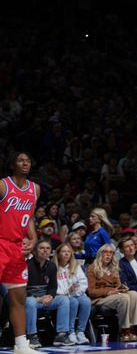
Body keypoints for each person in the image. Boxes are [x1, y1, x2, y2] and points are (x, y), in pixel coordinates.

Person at [0, 152, 44, 354]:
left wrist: (33, 239)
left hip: (18, 248)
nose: (25, 163)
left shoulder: (35, 189)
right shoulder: (3, 185)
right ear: (12, 164)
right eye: (20, 160)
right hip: (1, 243)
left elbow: (30, 218)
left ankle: (21, 345)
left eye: (28, 160)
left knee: (18, 297)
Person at [87, 243, 137, 342]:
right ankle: (124, 329)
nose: (108, 255)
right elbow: (91, 291)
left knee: (134, 295)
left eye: (111, 253)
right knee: (124, 298)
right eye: (105, 252)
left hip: (115, 295)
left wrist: (122, 288)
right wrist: (109, 292)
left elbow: (118, 286)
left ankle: (131, 327)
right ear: (100, 254)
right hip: (100, 299)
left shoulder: (114, 268)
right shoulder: (92, 268)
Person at [25, 240, 74, 347]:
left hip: (46, 298)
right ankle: (32, 336)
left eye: (47, 248)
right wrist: (36, 298)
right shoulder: (27, 265)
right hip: (32, 298)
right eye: (42, 248)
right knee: (30, 302)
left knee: (64, 300)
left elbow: (53, 286)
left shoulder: (52, 266)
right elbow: (21, 289)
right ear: (35, 251)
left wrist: (51, 296)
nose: (45, 250)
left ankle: (61, 335)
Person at [53, 243, 91, 345]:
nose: (66, 254)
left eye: (68, 252)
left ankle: (80, 332)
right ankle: (71, 332)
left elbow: (83, 283)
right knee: (73, 301)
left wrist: (75, 291)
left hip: (75, 294)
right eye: (63, 251)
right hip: (62, 296)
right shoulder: (54, 268)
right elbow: (55, 288)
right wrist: (67, 292)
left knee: (86, 301)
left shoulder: (76, 266)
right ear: (58, 254)